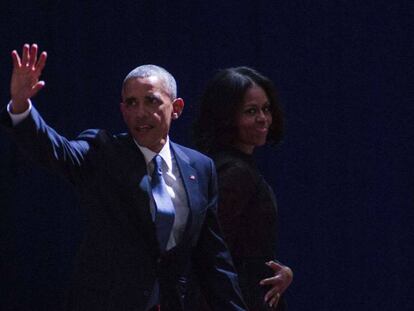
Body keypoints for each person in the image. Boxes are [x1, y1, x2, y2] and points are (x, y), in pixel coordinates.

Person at [0, 43, 248, 311]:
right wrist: (21, 106)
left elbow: (212, 259)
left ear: (176, 107)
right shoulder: (103, 152)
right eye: (131, 103)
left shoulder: (200, 168)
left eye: (151, 101)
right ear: (122, 111)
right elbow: (56, 151)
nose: (140, 112)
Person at [194, 67, 293, 310]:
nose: (263, 118)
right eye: (251, 111)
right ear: (227, 117)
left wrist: (282, 271)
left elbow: (245, 245)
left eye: (266, 109)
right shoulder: (235, 173)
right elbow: (213, 253)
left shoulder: (227, 166)